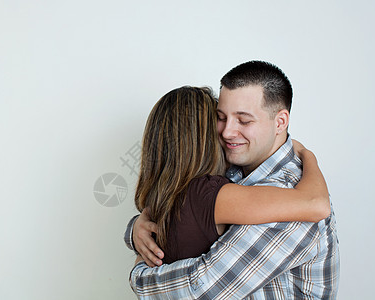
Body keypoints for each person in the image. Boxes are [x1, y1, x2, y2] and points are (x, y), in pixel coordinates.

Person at [125, 61, 340, 299]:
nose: (227, 132)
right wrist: (137, 228)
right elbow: (187, 211)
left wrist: (139, 274)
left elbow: (202, 289)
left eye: (244, 120)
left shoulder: (290, 196)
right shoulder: (229, 171)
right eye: (221, 117)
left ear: (280, 122)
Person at [133, 85, 329, 266]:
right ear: (205, 138)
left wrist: (135, 226)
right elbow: (315, 204)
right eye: (220, 120)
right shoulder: (209, 195)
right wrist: (307, 155)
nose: (228, 132)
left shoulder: (166, 197)